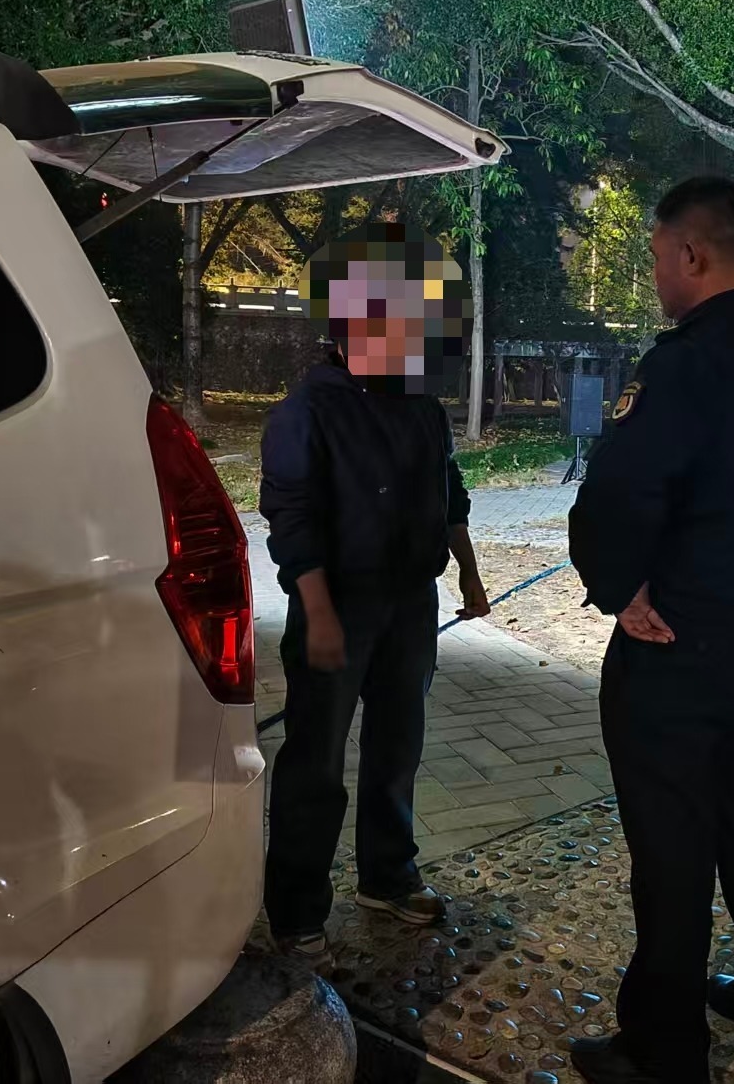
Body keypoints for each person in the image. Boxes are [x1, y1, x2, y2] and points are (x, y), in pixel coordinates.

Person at [567, 177, 734, 1082]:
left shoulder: (686, 365)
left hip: (669, 647)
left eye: (655, 256)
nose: (655, 277)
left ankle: (664, 1046)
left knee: (671, 848)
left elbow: (616, 493)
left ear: (691, 253)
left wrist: (617, 586)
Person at [259, 225, 491, 965]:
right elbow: (290, 518)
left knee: (398, 746)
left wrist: (469, 573)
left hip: (410, 604)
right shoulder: (307, 411)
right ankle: (297, 912)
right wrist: (319, 611)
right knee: (316, 761)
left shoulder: (421, 405)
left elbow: (450, 490)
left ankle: (388, 876)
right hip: (336, 606)